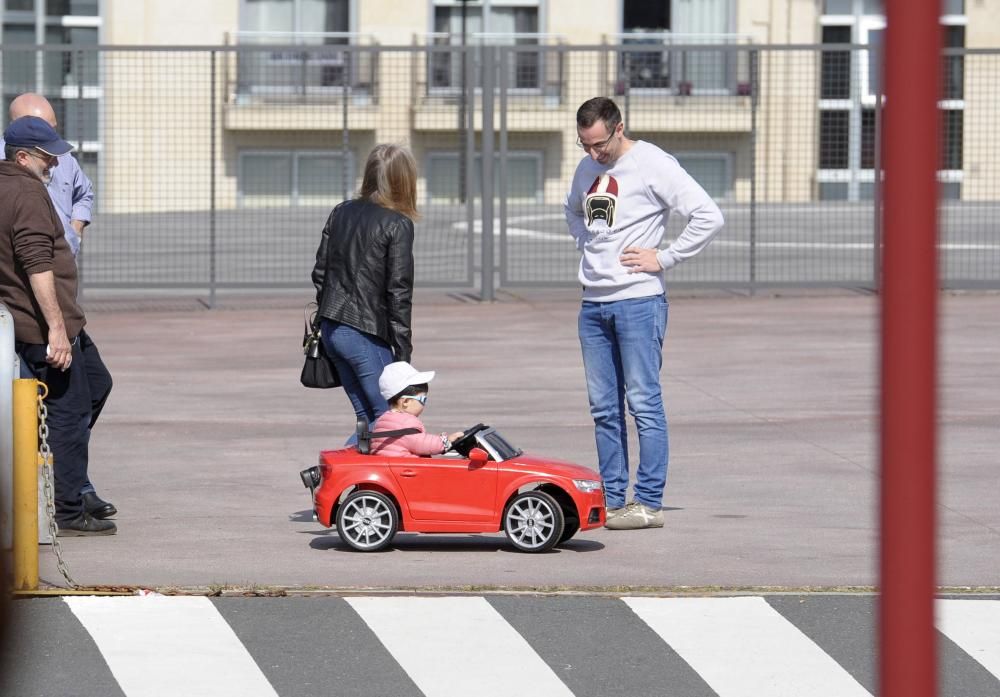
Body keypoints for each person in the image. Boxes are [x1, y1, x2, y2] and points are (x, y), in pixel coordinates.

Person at [564, 97, 724, 530]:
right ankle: (612, 497)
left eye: (598, 144)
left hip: (638, 301)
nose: (593, 154)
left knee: (643, 404)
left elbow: (708, 216)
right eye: (584, 145)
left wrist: (666, 257)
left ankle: (648, 502)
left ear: (619, 128)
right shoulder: (586, 169)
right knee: (603, 408)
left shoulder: (652, 162)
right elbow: (572, 211)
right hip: (593, 304)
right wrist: (586, 244)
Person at [0, 116, 115, 535]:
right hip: (46, 327)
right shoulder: (26, 192)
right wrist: (55, 330)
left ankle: (47, 460)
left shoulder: (11, 184)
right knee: (68, 413)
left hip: (58, 323)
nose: (55, 164)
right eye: (48, 157)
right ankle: (68, 509)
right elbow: (36, 263)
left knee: (97, 387)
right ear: (24, 157)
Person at [311, 144, 419, 433]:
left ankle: (352, 477)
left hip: (333, 330)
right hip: (365, 335)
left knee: (371, 422)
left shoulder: (341, 212)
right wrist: (403, 355)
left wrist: (328, 317)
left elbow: (320, 273)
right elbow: (399, 292)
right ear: (404, 180)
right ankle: (332, 474)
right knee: (394, 423)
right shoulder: (398, 224)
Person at [0, 93, 94, 257]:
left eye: (53, 128)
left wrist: (75, 232)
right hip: (17, 270)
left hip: (63, 264)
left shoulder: (65, 159)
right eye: (43, 129)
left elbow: (84, 194)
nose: (52, 137)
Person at [368, 362, 464, 457]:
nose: (424, 404)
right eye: (423, 399)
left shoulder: (383, 419)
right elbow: (421, 443)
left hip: (390, 465)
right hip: (405, 469)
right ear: (405, 402)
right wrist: (446, 441)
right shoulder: (406, 422)